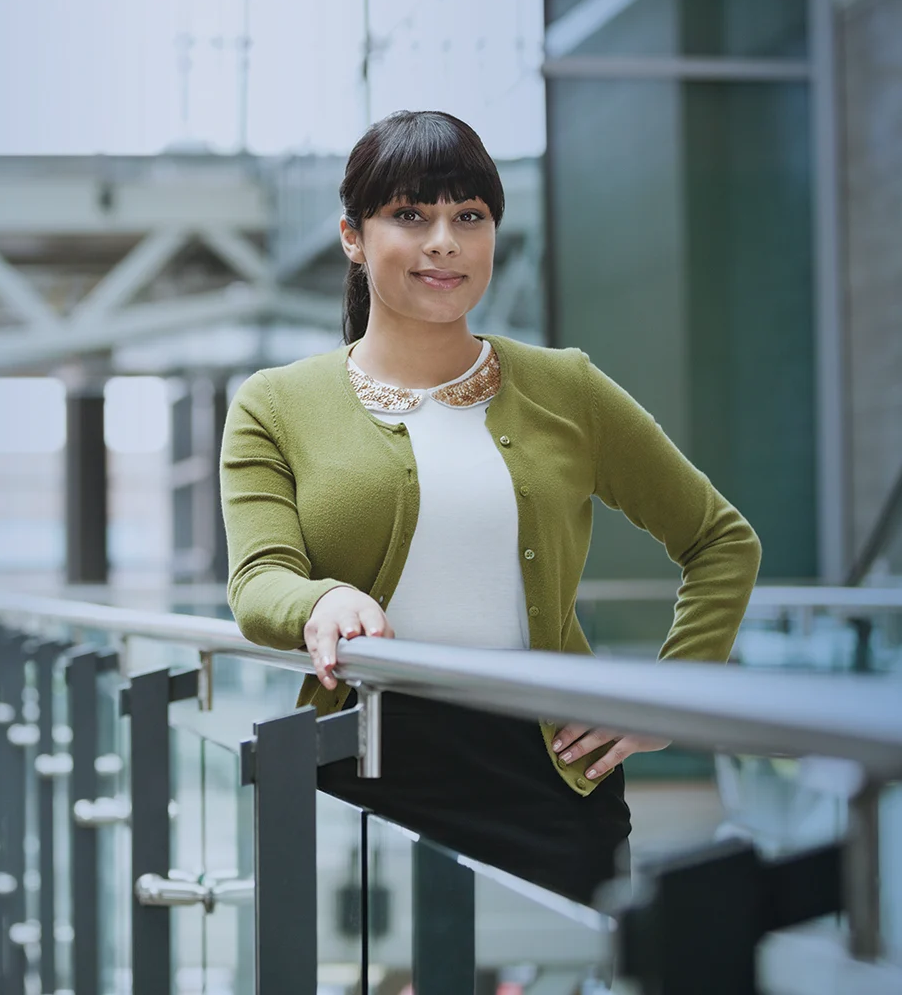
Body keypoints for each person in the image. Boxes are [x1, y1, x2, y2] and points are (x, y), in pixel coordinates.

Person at [219, 110, 761, 905]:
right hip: (362, 775)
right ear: (352, 237)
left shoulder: (567, 388)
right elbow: (258, 581)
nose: (444, 241)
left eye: (469, 217)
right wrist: (320, 600)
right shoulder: (275, 405)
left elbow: (720, 540)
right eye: (410, 215)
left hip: (553, 783)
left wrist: (674, 695)